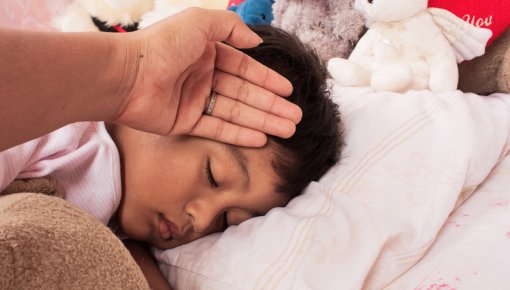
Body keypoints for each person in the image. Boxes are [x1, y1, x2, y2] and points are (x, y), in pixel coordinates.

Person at [0, 10, 342, 290]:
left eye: (227, 220)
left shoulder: (123, 223)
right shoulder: (61, 127)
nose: (203, 219)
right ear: (183, 85)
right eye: (213, 175)